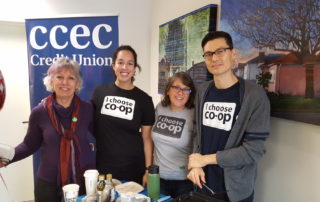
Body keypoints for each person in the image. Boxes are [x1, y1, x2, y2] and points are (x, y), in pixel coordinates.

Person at [187, 31, 270, 202]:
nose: (214, 59)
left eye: (220, 51)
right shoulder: (202, 91)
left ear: (233, 54)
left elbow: (254, 150)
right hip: (202, 185)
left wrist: (205, 159)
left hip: (235, 191)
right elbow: (197, 133)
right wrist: (196, 165)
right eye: (208, 54)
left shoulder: (254, 95)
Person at [0, 57, 95, 202]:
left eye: (71, 78)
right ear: (51, 81)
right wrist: (7, 158)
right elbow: (29, 145)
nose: (65, 82)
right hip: (49, 185)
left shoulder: (87, 109)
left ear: (77, 84)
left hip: (82, 182)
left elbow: (103, 135)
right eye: (59, 77)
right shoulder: (40, 112)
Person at [92, 45, 155, 187]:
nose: (124, 67)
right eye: (120, 62)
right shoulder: (100, 92)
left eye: (130, 63)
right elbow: (84, 116)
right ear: (113, 65)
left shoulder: (144, 100)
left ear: (134, 68)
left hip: (134, 168)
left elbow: (146, 138)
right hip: (104, 167)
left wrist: (148, 170)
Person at [151, 72, 196, 198]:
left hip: (184, 181)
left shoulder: (194, 113)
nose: (180, 92)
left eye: (186, 89)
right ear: (168, 90)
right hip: (158, 178)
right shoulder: (160, 108)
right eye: (176, 87)